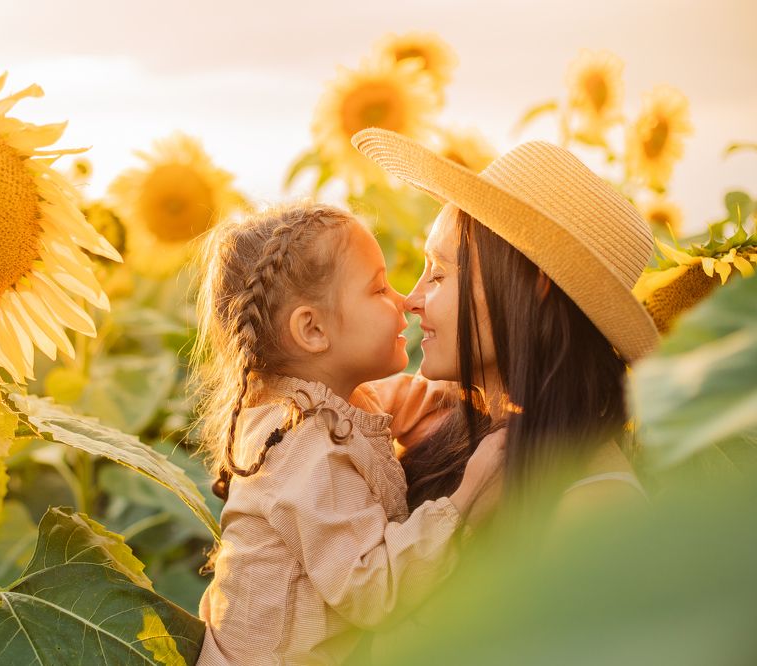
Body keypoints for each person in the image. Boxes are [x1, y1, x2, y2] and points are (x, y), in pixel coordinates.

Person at [190, 202, 506, 665]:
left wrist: (472, 389)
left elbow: (398, 401)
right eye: (379, 288)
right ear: (313, 329)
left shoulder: (320, 404)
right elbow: (372, 590)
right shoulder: (303, 451)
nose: (404, 300)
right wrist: (467, 501)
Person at [351, 128, 657, 529]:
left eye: (439, 274)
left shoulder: (598, 507)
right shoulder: (441, 420)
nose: (410, 299)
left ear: (536, 285)